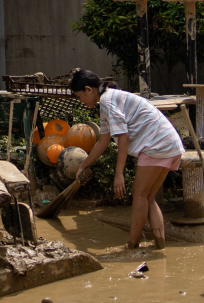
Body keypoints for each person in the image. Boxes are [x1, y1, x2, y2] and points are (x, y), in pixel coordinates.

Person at [69, 69, 184, 249]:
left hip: (156, 145)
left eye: (79, 96)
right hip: (171, 144)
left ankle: (132, 247)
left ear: (88, 90)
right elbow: (103, 142)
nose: (81, 101)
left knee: (139, 194)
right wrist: (83, 165)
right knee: (149, 197)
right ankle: (160, 246)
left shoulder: (107, 101)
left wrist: (119, 174)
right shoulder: (108, 101)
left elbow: (123, 136)